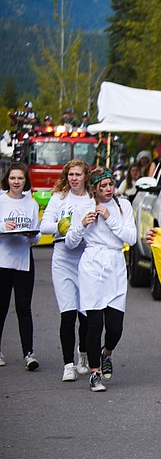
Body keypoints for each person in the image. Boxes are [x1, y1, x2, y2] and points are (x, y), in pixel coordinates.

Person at [65, 167, 137, 392]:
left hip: (115, 266)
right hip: (92, 266)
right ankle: (94, 374)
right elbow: (70, 242)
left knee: (115, 327)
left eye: (110, 185)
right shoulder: (83, 208)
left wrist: (110, 218)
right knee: (94, 324)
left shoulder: (122, 206)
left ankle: (107, 353)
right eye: (102, 186)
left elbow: (132, 239)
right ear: (93, 188)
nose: (108, 189)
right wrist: (81, 225)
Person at [39, 159, 93, 382]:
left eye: (78, 174)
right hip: (62, 258)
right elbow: (45, 226)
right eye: (70, 174)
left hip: (85, 258)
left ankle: (82, 356)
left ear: (85, 176)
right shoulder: (58, 198)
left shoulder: (92, 199)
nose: (74, 178)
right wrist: (67, 224)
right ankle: (67, 364)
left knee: (86, 313)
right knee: (68, 313)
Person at [0, 163, 41, 371]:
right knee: (2, 308)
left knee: (24, 309)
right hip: (3, 261)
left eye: (21, 179)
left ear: (26, 181)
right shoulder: (0, 199)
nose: (16, 182)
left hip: (24, 260)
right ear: (7, 179)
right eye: (13, 178)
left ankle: (29, 354)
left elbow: (38, 234)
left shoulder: (31, 203)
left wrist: (33, 235)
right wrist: (3, 226)